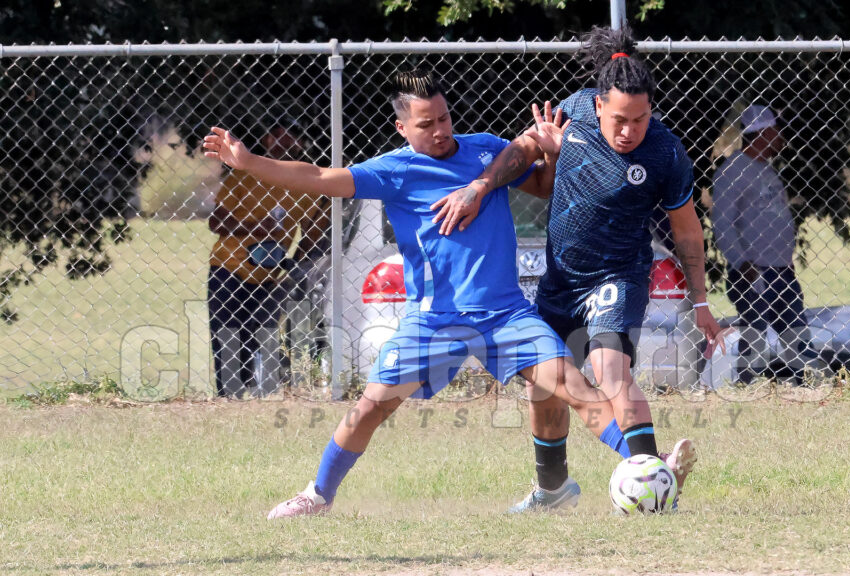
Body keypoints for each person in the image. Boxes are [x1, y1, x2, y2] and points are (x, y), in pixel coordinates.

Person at [204, 69, 632, 519]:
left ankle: (644, 468)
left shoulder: (486, 149)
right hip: (434, 320)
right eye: (426, 124)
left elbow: (542, 186)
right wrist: (250, 162)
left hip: (505, 314)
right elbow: (318, 176)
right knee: (370, 408)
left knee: (572, 386)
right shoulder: (395, 170)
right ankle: (318, 495)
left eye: (444, 118)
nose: (441, 130)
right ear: (403, 128)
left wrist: (552, 153)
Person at [431, 26, 721, 511]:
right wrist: (480, 187)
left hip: (618, 277)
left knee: (611, 372)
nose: (630, 130)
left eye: (641, 118)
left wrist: (702, 301)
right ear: (599, 104)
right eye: (620, 119)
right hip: (562, 279)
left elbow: (689, 234)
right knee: (544, 385)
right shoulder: (575, 111)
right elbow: (526, 156)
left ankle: (653, 478)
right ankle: (551, 491)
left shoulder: (666, 153)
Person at [207, 118, 320, 398]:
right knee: (227, 337)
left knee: (262, 339)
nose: (281, 143)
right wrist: (254, 228)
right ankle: (228, 397)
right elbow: (216, 222)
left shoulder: (305, 184)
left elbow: (309, 234)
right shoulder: (244, 175)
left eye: (288, 138)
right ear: (267, 140)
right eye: (275, 137)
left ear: (300, 143)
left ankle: (259, 393)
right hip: (228, 269)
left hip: (270, 276)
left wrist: (291, 265)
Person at [711, 104, 817, 380]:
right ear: (762, 133)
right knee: (755, 333)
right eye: (775, 131)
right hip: (754, 270)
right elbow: (723, 223)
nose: (781, 137)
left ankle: (807, 381)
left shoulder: (766, 170)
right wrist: (741, 261)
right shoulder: (733, 170)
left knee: (796, 330)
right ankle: (748, 384)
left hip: (780, 268)